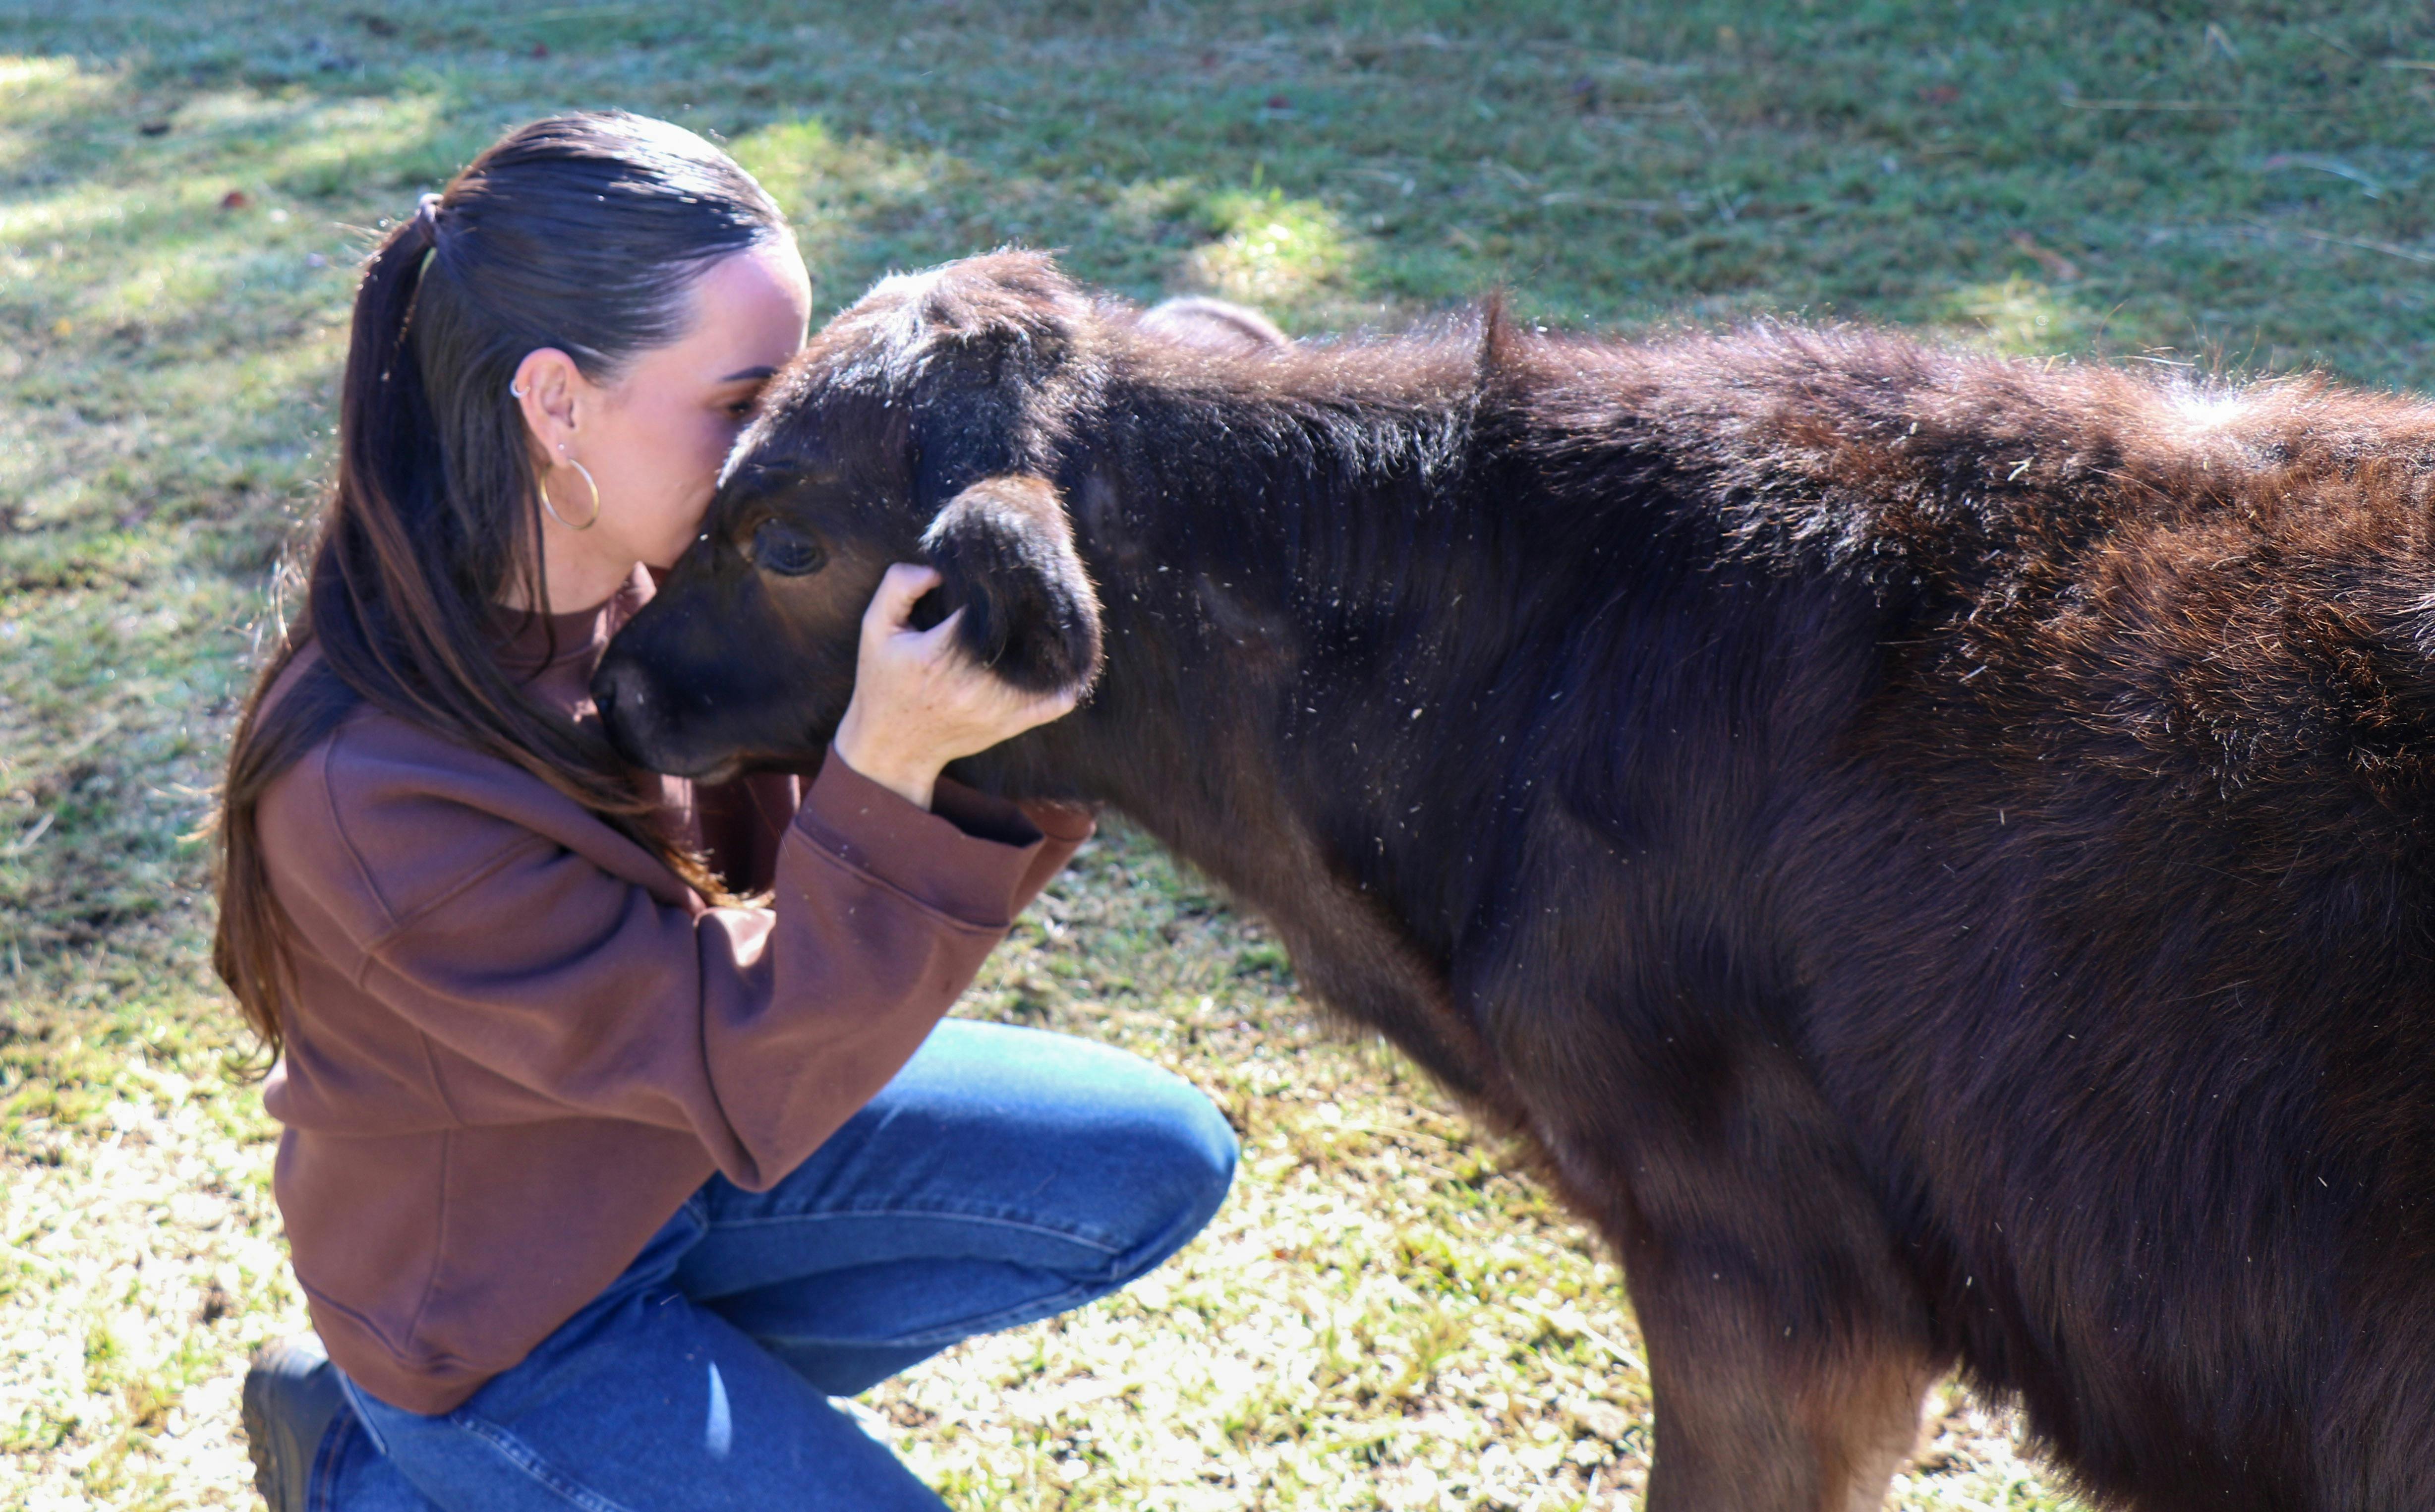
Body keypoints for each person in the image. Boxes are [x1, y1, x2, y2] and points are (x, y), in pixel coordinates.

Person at [213, 112, 1241, 1511]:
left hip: (685, 1156)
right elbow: (747, 1058)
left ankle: (655, 1447)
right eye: (744, 395)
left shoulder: (657, 577)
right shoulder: (366, 789)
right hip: (511, 1321)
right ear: (557, 405)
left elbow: (780, 935)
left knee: (1154, 1162)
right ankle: (362, 1462)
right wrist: (888, 764)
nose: (785, 434)